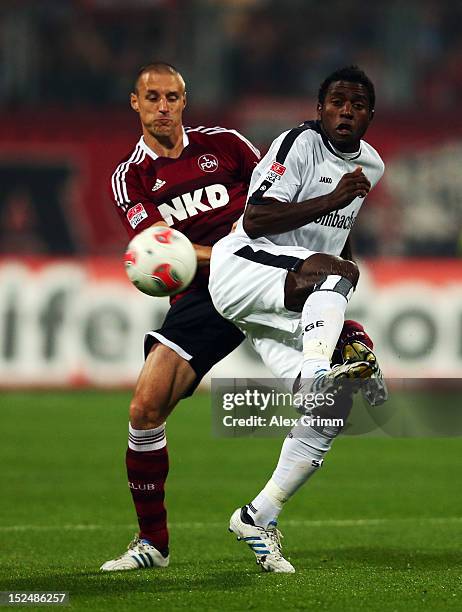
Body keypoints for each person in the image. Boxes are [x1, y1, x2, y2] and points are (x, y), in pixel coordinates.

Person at [209, 66, 386, 573]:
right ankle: (313, 373)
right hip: (242, 267)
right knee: (339, 279)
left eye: (356, 104)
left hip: (287, 294)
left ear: (371, 115)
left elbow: (338, 234)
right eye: (336, 102)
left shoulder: (371, 166)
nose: (345, 111)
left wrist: (339, 285)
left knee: (333, 409)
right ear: (319, 108)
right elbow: (256, 219)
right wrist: (333, 205)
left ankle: (258, 516)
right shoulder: (298, 145)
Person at [100, 62, 261, 571]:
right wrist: (236, 250)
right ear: (135, 103)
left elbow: (275, 202)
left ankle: (265, 514)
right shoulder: (131, 178)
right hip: (203, 298)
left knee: (330, 373)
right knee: (145, 409)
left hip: (265, 275)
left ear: (184, 101)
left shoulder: (228, 145)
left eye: (172, 97)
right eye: (153, 98)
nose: (163, 107)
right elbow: (160, 253)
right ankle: (154, 542)